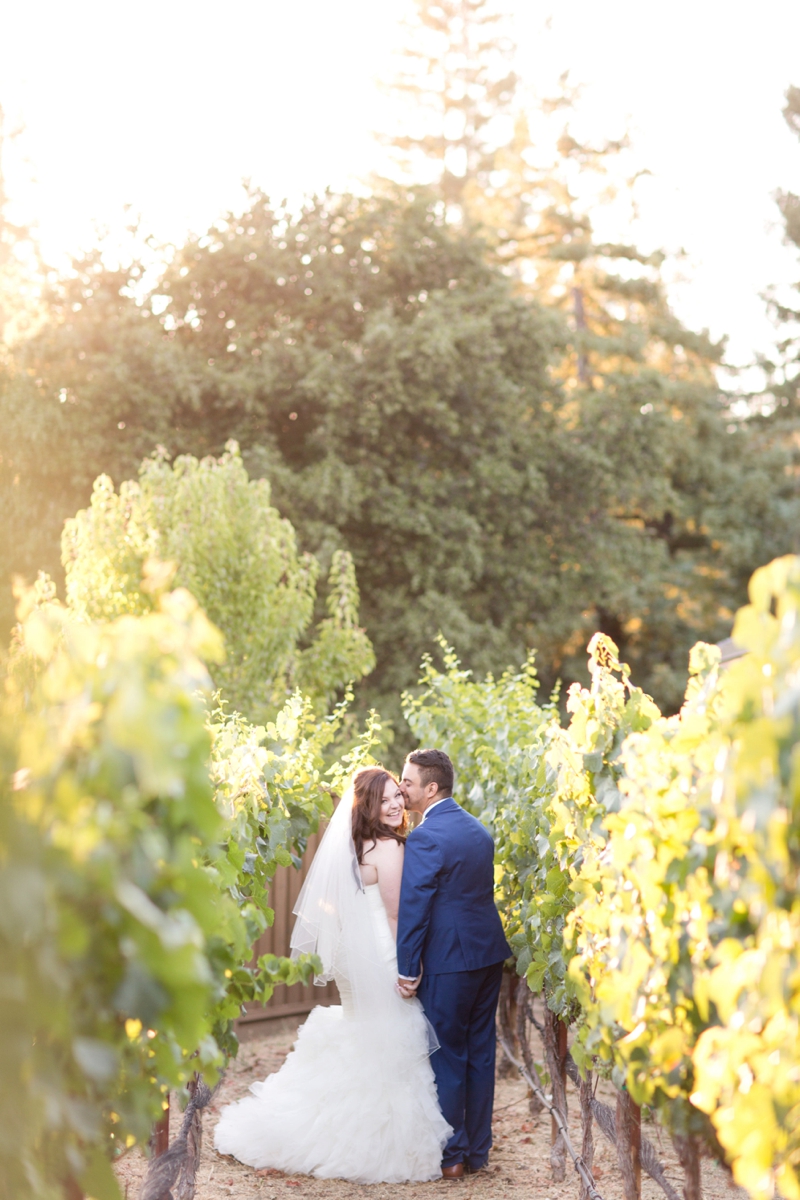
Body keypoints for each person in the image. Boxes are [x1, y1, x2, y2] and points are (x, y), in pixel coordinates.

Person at [213, 766, 451, 1184]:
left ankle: (331, 1126)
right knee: (391, 1038)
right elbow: (396, 914)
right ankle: (378, 1142)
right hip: (382, 955)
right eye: (385, 800)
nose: (395, 804)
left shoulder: (356, 845)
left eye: (398, 795)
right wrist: (409, 967)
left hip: (356, 958)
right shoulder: (390, 848)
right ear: (368, 806)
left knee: (366, 1036)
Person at [397, 748, 511, 1179]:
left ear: (431, 788)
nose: (402, 787)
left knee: (447, 1055)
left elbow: (415, 907)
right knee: (480, 1053)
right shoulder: (478, 830)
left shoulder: (427, 837)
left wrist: (408, 967)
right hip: (487, 955)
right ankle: (479, 1149)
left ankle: (452, 1156)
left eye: (408, 782)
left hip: (449, 960)